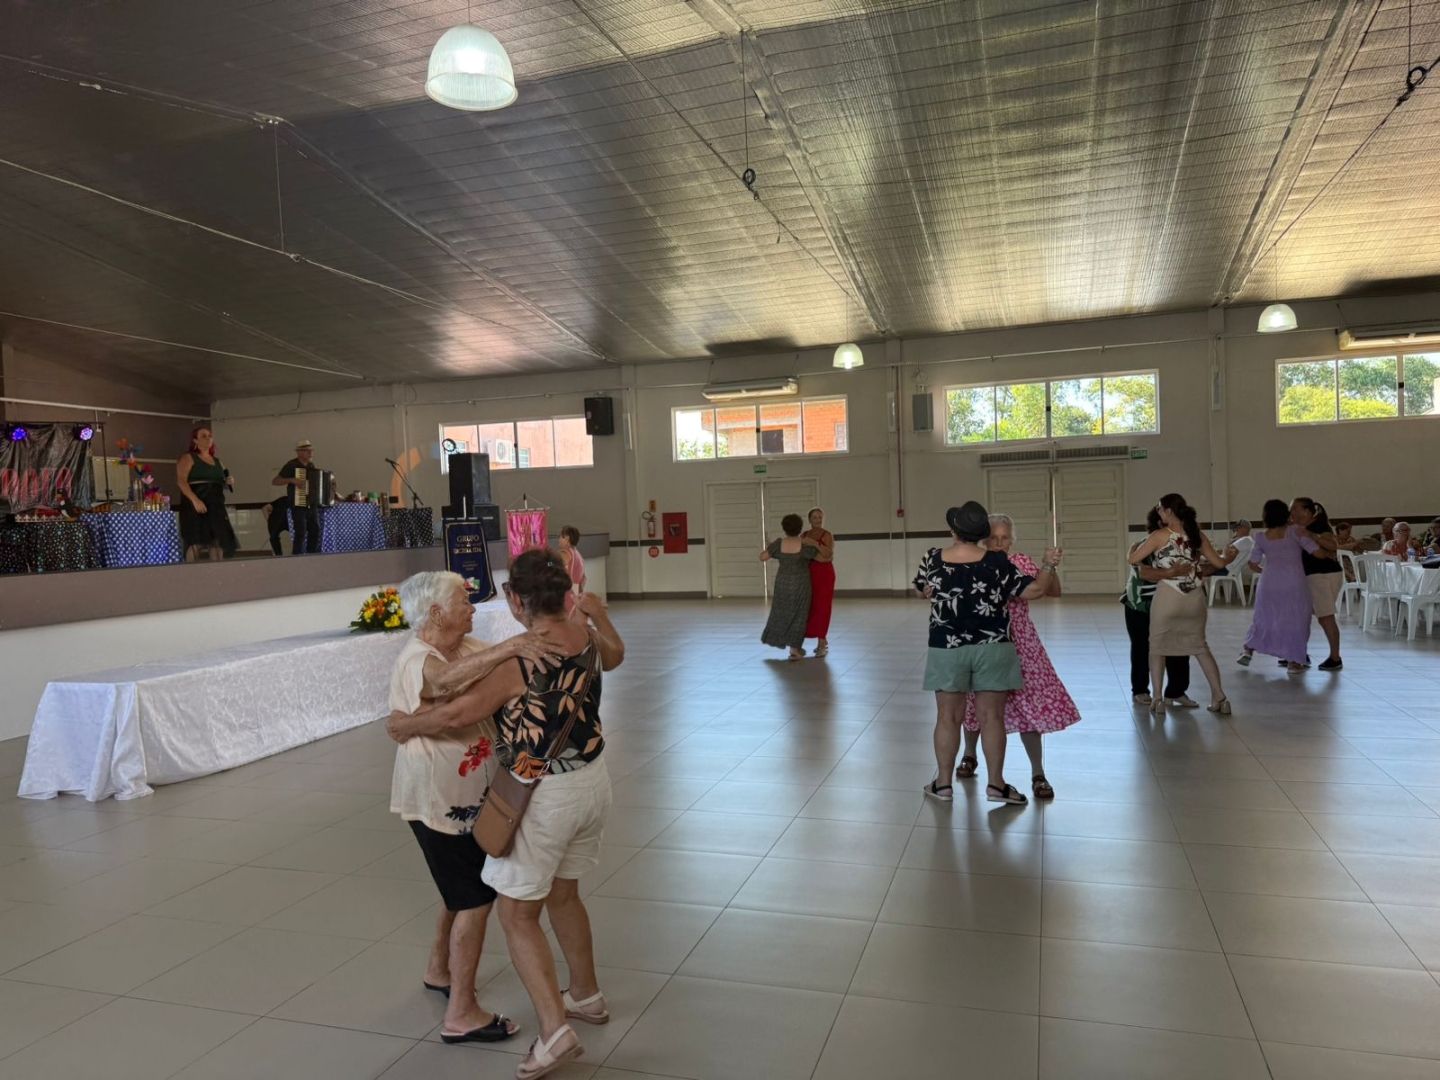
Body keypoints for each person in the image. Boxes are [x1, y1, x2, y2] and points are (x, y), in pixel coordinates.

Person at [389, 550, 624, 1080]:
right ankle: (585, 995)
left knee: (517, 915)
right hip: (592, 781)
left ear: (516, 600)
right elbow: (615, 657)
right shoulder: (583, 634)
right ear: (566, 595)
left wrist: (407, 726)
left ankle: (554, 1031)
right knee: (563, 893)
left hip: (545, 795)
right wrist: (597, 615)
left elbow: (458, 711)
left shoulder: (523, 660)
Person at [385, 571, 560, 1046]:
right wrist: (512, 647)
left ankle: (438, 971)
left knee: (458, 891)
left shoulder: (462, 647)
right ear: (436, 613)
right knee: (475, 900)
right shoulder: (418, 658)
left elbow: (496, 659)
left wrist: (532, 637)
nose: (473, 608)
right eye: (464, 602)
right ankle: (461, 1013)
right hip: (438, 802)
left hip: (469, 799)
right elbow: (444, 682)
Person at [913, 501, 1063, 806]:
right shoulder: (997, 562)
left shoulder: (932, 557)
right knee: (992, 718)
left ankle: (943, 785)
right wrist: (1048, 565)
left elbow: (920, 589)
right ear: (982, 535)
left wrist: (929, 590)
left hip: (947, 647)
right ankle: (996, 785)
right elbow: (1035, 591)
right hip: (993, 647)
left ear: (953, 531)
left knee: (947, 717)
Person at [954, 514, 1079, 800]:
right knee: (975, 703)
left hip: (1021, 643)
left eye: (1004, 538)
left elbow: (1053, 591)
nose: (999, 543)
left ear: (1012, 540)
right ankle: (969, 755)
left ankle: (1038, 772)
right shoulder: (974, 563)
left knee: (1029, 703)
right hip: (983, 642)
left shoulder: (1020, 562)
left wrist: (1050, 566)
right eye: (993, 538)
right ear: (983, 540)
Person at [1128, 493, 1231, 716]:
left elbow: (1133, 560)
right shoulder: (1197, 535)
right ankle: (1220, 697)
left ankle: (1157, 698)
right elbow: (1218, 563)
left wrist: (1133, 549)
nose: (1158, 512)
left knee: (1157, 647)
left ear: (1168, 511)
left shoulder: (1159, 535)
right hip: (1194, 597)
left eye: (1160, 508)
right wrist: (1229, 555)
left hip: (1168, 596)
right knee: (1200, 647)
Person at [1122, 508, 1196, 708]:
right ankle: (1140, 690)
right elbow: (1144, 573)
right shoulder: (1144, 545)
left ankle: (1176, 691)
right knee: (1142, 647)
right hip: (1141, 605)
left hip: (1173, 603)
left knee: (1178, 645)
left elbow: (1198, 568)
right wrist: (1171, 572)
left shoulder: (1183, 544)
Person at [1236, 500, 1320, 672]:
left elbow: (1253, 564)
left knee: (1264, 618)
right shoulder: (1294, 531)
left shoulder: (1261, 536)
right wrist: (1329, 549)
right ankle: (1294, 661)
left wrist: (1267, 571)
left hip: (1269, 582)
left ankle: (1248, 650)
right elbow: (1316, 552)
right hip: (1294, 582)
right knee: (1297, 619)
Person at [1292, 497, 1344, 670]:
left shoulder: (1318, 526)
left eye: (1295, 509)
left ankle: (1335, 657)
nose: (1292, 513)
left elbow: (1332, 545)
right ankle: (1298, 653)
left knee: (1325, 617)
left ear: (1307, 512)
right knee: (1304, 615)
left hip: (1323, 575)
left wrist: (1312, 536)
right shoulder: (1300, 528)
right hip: (1312, 576)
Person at [760, 513, 820, 661]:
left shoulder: (779, 543)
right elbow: (818, 556)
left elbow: (763, 557)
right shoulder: (805, 544)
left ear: (784, 528)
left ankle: (777, 638)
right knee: (800, 615)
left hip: (783, 584)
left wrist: (770, 547)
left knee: (780, 612)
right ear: (800, 527)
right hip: (801, 584)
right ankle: (795, 649)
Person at [175, 426, 238, 563]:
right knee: (196, 542)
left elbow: (220, 483)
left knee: (217, 541)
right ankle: (190, 571)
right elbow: (181, 482)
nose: (208, 438)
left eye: (209, 436)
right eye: (203, 436)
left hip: (215, 505)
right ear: (195, 440)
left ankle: (217, 572)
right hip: (195, 504)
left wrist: (227, 482)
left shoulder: (218, 462)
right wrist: (195, 500)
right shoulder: (188, 457)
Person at [272, 439, 323, 555]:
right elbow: (275, 481)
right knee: (301, 531)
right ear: (298, 452)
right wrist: (292, 480)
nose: (310, 453)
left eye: (311, 450)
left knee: (315, 529)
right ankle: (296, 556)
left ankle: (311, 555)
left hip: (311, 502)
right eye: (307, 451)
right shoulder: (291, 465)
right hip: (297, 503)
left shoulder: (311, 465)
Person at [803, 507, 836, 657]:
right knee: (811, 607)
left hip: (824, 574)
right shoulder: (804, 535)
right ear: (809, 519)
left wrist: (815, 545)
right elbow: (801, 553)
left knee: (823, 606)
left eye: (820, 517)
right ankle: (814, 636)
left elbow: (828, 555)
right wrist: (818, 556)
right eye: (815, 517)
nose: (818, 520)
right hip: (809, 573)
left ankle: (821, 641)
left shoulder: (826, 535)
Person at [557, 526, 586, 595]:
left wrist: (548, 562)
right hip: (576, 595)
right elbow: (583, 579)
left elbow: (551, 564)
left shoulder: (564, 553)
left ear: (567, 539)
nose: (558, 539)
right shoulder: (579, 555)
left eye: (560, 536)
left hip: (566, 593)